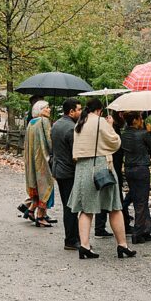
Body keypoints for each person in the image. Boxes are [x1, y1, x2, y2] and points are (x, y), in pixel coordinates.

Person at [69, 98, 135, 259]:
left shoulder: (79, 123)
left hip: (83, 168)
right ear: (99, 110)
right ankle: (122, 245)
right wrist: (111, 126)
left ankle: (84, 245)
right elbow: (114, 143)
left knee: (86, 209)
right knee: (114, 206)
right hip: (101, 166)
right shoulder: (100, 122)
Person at [120, 111, 151, 243]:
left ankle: (146, 229)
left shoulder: (124, 135)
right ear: (135, 120)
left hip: (129, 168)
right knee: (141, 201)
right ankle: (138, 232)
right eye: (140, 118)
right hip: (141, 168)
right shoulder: (143, 134)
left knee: (138, 198)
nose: (142, 120)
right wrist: (149, 132)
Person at [49, 98, 82, 251]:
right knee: (71, 206)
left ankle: (74, 236)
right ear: (71, 112)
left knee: (68, 204)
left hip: (58, 169)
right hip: (68, 171)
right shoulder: (71, 128)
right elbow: (75, 153)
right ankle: (71, 239)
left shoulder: (56, 124)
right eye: (79, 110)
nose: (80, 113)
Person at [23, 99, 55, 228]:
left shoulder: (31, 122)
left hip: (32, 161)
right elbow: (49, 140)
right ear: (40, 110)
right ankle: (41, 217)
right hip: (42, 160)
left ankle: (31, 210)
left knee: (36, 186)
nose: (49, 109)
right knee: (46, 187)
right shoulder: (44, 121)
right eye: (46, 107)